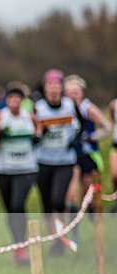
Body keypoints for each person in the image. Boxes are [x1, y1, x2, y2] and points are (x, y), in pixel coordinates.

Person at [0, 83, 40, 265]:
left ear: (22, 101)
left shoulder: (29, 116)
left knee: (17, 204)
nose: (14, 102)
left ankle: (23, 246)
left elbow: (40, 131)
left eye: (17, 99)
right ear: (6, 101)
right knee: (11, 210)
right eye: (11, 99)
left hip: (26, 169)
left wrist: (37, 137)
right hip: (5, 169)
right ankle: (18, 245)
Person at [34, 69, 81, 254]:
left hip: (64, 161)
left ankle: (61, 234)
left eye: (57, 85)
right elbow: (32, 131)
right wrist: (39, 134)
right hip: (42, 161)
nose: (53, 88)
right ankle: (55, 240)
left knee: (58, 199)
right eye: (50, 85)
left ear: (61, 88)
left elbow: (82, 124)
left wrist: (75, 140)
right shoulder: (38, 108)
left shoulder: (70, 105)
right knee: (46, 204)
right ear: (45, 88)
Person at [62, 75, 112, 223]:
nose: (73, 95)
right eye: (70, 92)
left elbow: (107, 127)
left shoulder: (87, 107)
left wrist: (92, 137)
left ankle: (93, 218)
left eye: (76, 92)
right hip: (70, 153)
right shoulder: (64, 108)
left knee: (88, 188)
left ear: (82, 92)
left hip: (87, 152)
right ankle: (71, 217)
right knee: (70, 189)